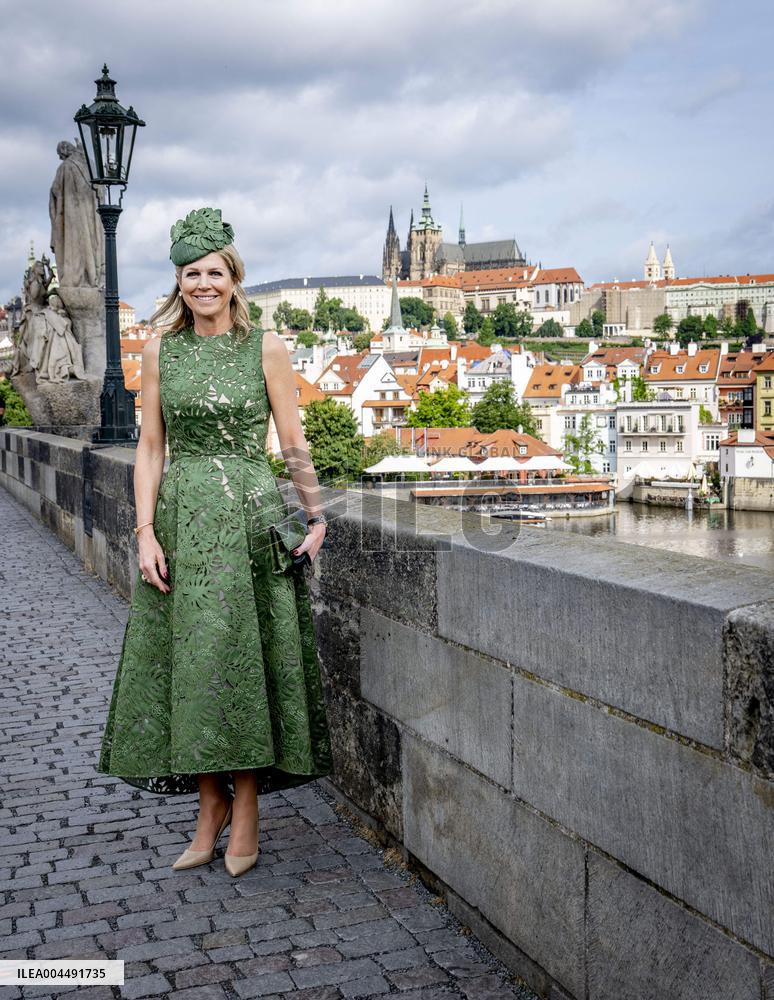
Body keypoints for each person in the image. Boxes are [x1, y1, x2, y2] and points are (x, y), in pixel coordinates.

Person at [96, 207, 333, 878]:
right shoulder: (158, 349)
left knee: (244, 665)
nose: (203, 284)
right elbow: (149, 449)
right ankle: (210, 806)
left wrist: (316, 516)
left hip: (252, 518)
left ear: (235, 280)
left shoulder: (267, 348)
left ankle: (247, 806)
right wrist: (143, 532)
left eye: (215, 273)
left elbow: (291, 442)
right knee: (191, 668)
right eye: (192, 273)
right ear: (180, 282)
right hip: (181, 520)